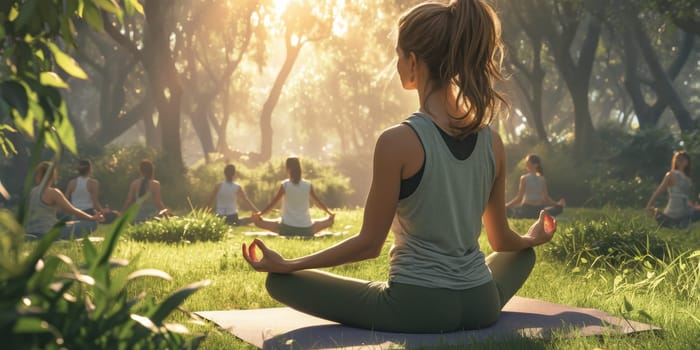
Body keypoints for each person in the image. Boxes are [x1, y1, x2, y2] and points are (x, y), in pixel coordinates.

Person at [242, 0, 555, 333]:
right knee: (523, 255)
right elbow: (502, 240)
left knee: (281, 283)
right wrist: (531, 238)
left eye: (398, 54)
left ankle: (288, 272)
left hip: (415, 308)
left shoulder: (397, 141)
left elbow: (368, 244)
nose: (397, 63)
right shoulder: (492, 141)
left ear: (413, 63)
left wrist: (290, 263)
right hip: (481, 303)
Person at [252, 157, 335, 237]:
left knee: (265, 222)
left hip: (286, 228)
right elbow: (318, 203)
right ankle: (327, 220)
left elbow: (272, 204)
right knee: (323, 222)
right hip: (306, 230)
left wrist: (260, 215)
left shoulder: (285, 185)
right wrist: (330, 214)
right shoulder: (308, 185)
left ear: (288, 169)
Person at [26, 161, 104, 240]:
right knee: (92, 224)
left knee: (67, 223)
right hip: (50, 232)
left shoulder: (32, 192)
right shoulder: (53, 192)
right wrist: (92, 218)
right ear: (52, 176)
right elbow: (72, 210)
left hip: (32, 232)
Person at [646, 151, 700, 228]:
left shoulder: (688, 179)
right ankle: (676, 222)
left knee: (691, 214)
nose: (681, 161)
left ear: (687, 161)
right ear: (675, 160)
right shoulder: (671, 174)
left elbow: (686, 197)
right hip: (674, 210)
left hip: (685, 209)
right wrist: (649, 205)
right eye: (678, 159)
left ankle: (681, 223)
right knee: (672, 219)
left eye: (683, 159)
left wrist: (694, 207)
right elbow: (660, 190)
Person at [505, 154, 566, 219]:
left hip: (526, 210)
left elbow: (519, 198)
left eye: (528, 162)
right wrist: (557, 204)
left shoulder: (524, 178)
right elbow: (546, 198)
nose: (526, 164)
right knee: (558, 208)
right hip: (539, 211)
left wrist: (506, 205)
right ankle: (544, 214)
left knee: (507, 210)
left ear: (536, 164)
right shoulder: (542, 179)